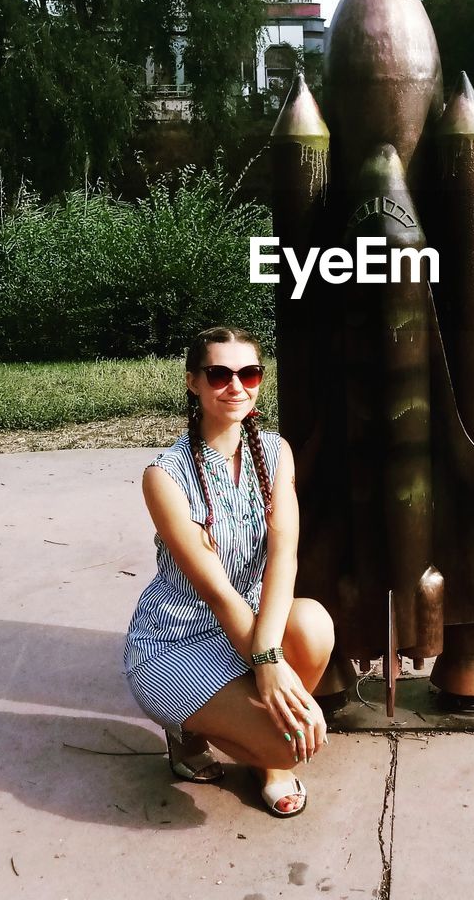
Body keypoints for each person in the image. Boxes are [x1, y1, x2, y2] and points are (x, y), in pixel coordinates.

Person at [123, 326, 335, 817]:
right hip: (177, 640)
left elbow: (285, 556)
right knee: (289, 740)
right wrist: (268, 664)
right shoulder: (164, 476)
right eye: (219, 374)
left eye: (249, 373)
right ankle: (189, 732)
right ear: (193, 382)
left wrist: (270, 658)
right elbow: (216, 591)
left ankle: (269, 764)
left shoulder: (276, 452)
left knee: (314, 623)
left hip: (248, 625)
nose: (235, 386)